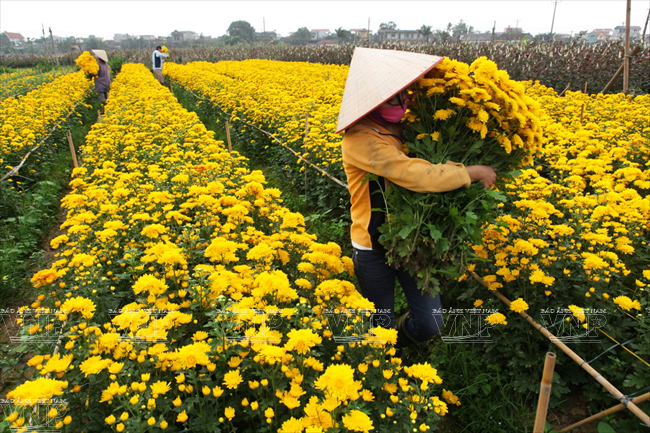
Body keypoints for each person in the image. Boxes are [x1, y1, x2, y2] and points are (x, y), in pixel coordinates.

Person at [337, 47, 497, 349]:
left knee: (429, 322)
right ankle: (383, 361)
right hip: (373, 245)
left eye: (401, 94)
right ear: (370, 102)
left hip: (416, 239)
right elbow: (415, 174)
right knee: (377, 324)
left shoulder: (412, 125)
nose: (399, 102)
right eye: (388, 98)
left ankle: (400, 336)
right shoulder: (360, 139)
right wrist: (469, 172)